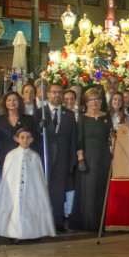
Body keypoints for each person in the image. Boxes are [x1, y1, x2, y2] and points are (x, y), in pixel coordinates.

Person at [0, 128, 57, 242]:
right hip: (14, 190)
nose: (25, 140)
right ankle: (14, 232)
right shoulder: (11, 155)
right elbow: (7, 176)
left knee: (29, 206)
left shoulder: (35, 156)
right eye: (22, 137)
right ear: (17, 139)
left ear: (31, 140)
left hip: (30, 190)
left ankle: (32, 232)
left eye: (28, 138)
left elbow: (38, 178)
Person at [72, 87, 112, 232]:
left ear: (101, 101)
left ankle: (103, 221)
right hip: (88, 158)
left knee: (102, 188)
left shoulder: (106, 117)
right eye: (91, 100)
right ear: (86, 103)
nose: (94, 102)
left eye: (97, 99)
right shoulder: (83, 119)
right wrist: (80, 158)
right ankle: (90, 222)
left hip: (104, 158)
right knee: (90, 189)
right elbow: (79, 140)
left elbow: (111, 137)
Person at [40, 83, 78, 231]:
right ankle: (43, 220)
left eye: (59, 93)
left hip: (63, 157)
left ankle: (57, 221)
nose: (57, 95)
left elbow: (73, 138)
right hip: (45, 156)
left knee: (59, 189)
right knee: (43, 188)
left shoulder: (68, 115)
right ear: (48, 94)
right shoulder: (40, 112)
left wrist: (73, 158)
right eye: (54, 92)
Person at [0, 90, 39, 174]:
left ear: (19, 102)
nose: (12, 102)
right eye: (9, 100)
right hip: (5, 158)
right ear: (5, 103)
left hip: (25, 158)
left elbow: (35, 139)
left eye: (15, 100)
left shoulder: (29, 119)